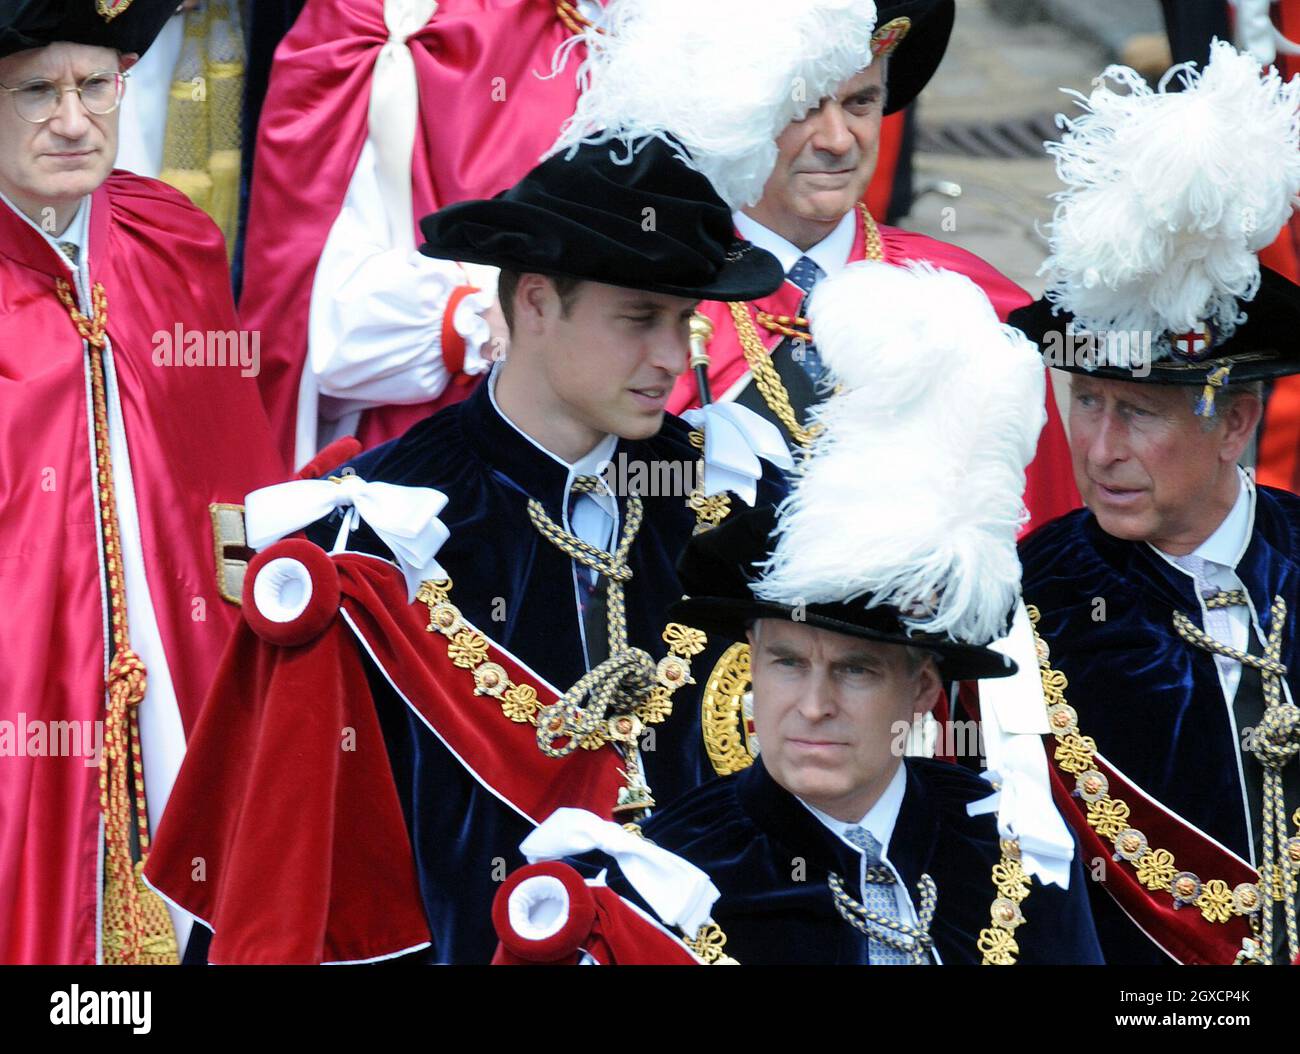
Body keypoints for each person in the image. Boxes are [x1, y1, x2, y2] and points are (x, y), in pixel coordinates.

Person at [144, 134, 791, 964]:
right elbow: (307, 860)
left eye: (684, 321)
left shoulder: (728, 492)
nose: (675, 358)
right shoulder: (380, 535)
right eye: (639, 319)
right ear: (533, 302)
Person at [508, 261, 1103, 964]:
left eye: (854, 671)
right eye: (787, 663)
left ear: (921, 691)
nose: (811, 706)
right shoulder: (665, 882)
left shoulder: (1007, 844)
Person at [550, 0, 1079, 532]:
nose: (837, 140)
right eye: (803, 109)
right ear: (733, 114)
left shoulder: (983, 306)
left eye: (860, 103)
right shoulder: (645, 302)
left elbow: (1040, 554)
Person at [0, 1, 285, 964]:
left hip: (184, 683)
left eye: (98, 85)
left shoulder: (171, 238)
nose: (75, 120)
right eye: (37, 89)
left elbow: (235, 473)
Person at [1013, 40, 1300, 965]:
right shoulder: (1023, 600)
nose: (1098, 450)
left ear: (1234, 421)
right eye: (1085, 404)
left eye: (1136, 413)